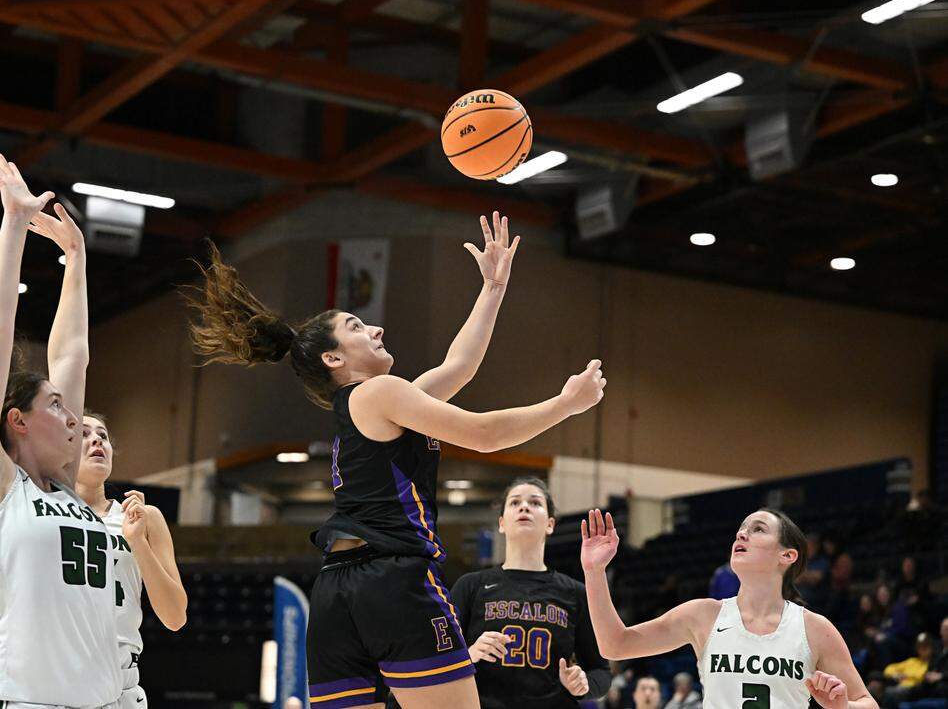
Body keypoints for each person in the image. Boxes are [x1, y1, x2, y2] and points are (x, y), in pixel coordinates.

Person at [185, 213, 606, 709]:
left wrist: (493, 288)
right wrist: (565, 405)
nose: (377, 327)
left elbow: (459, 367)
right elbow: (487, 435)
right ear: (333, 359)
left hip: (335, 592)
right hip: (392, 581)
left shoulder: (379, 404)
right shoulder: (381, 393)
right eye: (357, 326)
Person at [0, 153, 119, 709]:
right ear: (16, 420)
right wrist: (15, 220)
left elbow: (73, 352)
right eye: (56, 406)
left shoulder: (66, 487)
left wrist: (76, 260)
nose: (74, 417)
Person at [581, 508, 878, 709]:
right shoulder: (703, 616)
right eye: (741, 529)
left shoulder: (814, 629)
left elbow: (868, 703)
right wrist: (594, 572)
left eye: (758, 529)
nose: (742, 534)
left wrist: (844, 707)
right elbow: (615, 645)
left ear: (787, 555)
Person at [391, 477, 610, 709]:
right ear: (502, 523)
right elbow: (435, 659)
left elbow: (601, 673)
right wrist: (470, 655)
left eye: (535, 503)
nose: (524, 506)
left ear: (550, 524)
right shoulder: (471, 586)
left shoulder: (575, 592)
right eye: (515, 503)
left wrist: (583, 685)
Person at [75, 412, 187, 709]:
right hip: (60, 670)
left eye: (103, 436)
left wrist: (137, 542)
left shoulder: (144, 517)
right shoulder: (42, 514)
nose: (97, 440)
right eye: (84, 434)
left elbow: (175, 617)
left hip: (121, 678)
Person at [882, 633, 934, 708]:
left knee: (890, 693)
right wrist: (895, 675)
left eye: (925, 646)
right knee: (883, 689)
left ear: (931, 648)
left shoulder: (932, 663)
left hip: (915, 690)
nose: (922, 649)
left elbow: (923, 677)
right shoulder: (912, 661)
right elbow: (888, 669)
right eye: (920, 647)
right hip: (901, 687)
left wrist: (907, 676)